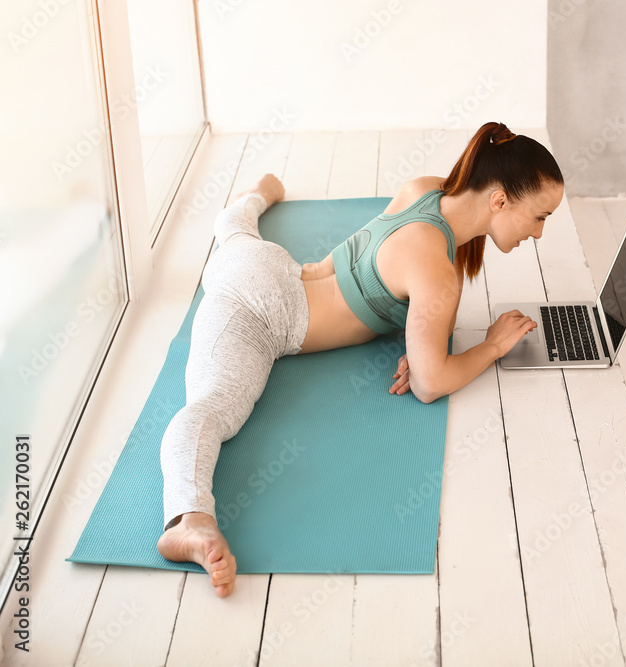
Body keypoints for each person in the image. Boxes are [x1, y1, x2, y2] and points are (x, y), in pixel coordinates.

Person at [156, 122, 564, 597]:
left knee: (236, 238)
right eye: (539, 217)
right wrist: (491, 346)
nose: (539, 233)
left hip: (272, 267)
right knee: (211, 409)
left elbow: (359, 258)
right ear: (499, 201)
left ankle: (252, 198)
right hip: (257, 312)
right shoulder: (437, 272)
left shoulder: (425, 190)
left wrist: (420, 339)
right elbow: (430, 385)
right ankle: (188, 520)